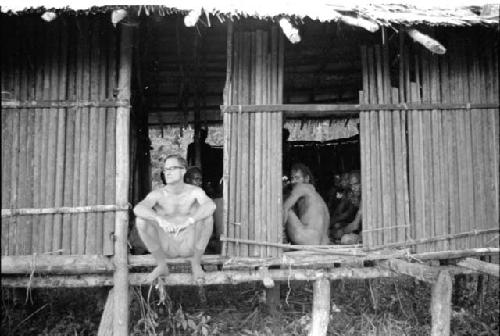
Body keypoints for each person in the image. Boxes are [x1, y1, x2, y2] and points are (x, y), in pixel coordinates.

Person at [133, 154, 216, 283]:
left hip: (189, 245)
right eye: (166, 169)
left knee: (207, 218)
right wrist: (159, 219)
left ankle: (196, 263)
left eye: (172, 168)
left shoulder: (195, 192)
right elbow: (138, 208)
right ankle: (161, 265)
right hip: (167, 246)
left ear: (183, 170)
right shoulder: (158, 194)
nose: (168, 172)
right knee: (141, 220)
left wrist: (190, 221)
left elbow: (210, 205)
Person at [283, 163, 330, 245]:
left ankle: (281, 239)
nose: (293, 181)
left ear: (306, 179)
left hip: (306, 239)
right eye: (292, 178)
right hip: (323, 243)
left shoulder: (301, 187)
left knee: (284, 207)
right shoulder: (317, 196)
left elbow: (285, 208)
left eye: (297, 178)